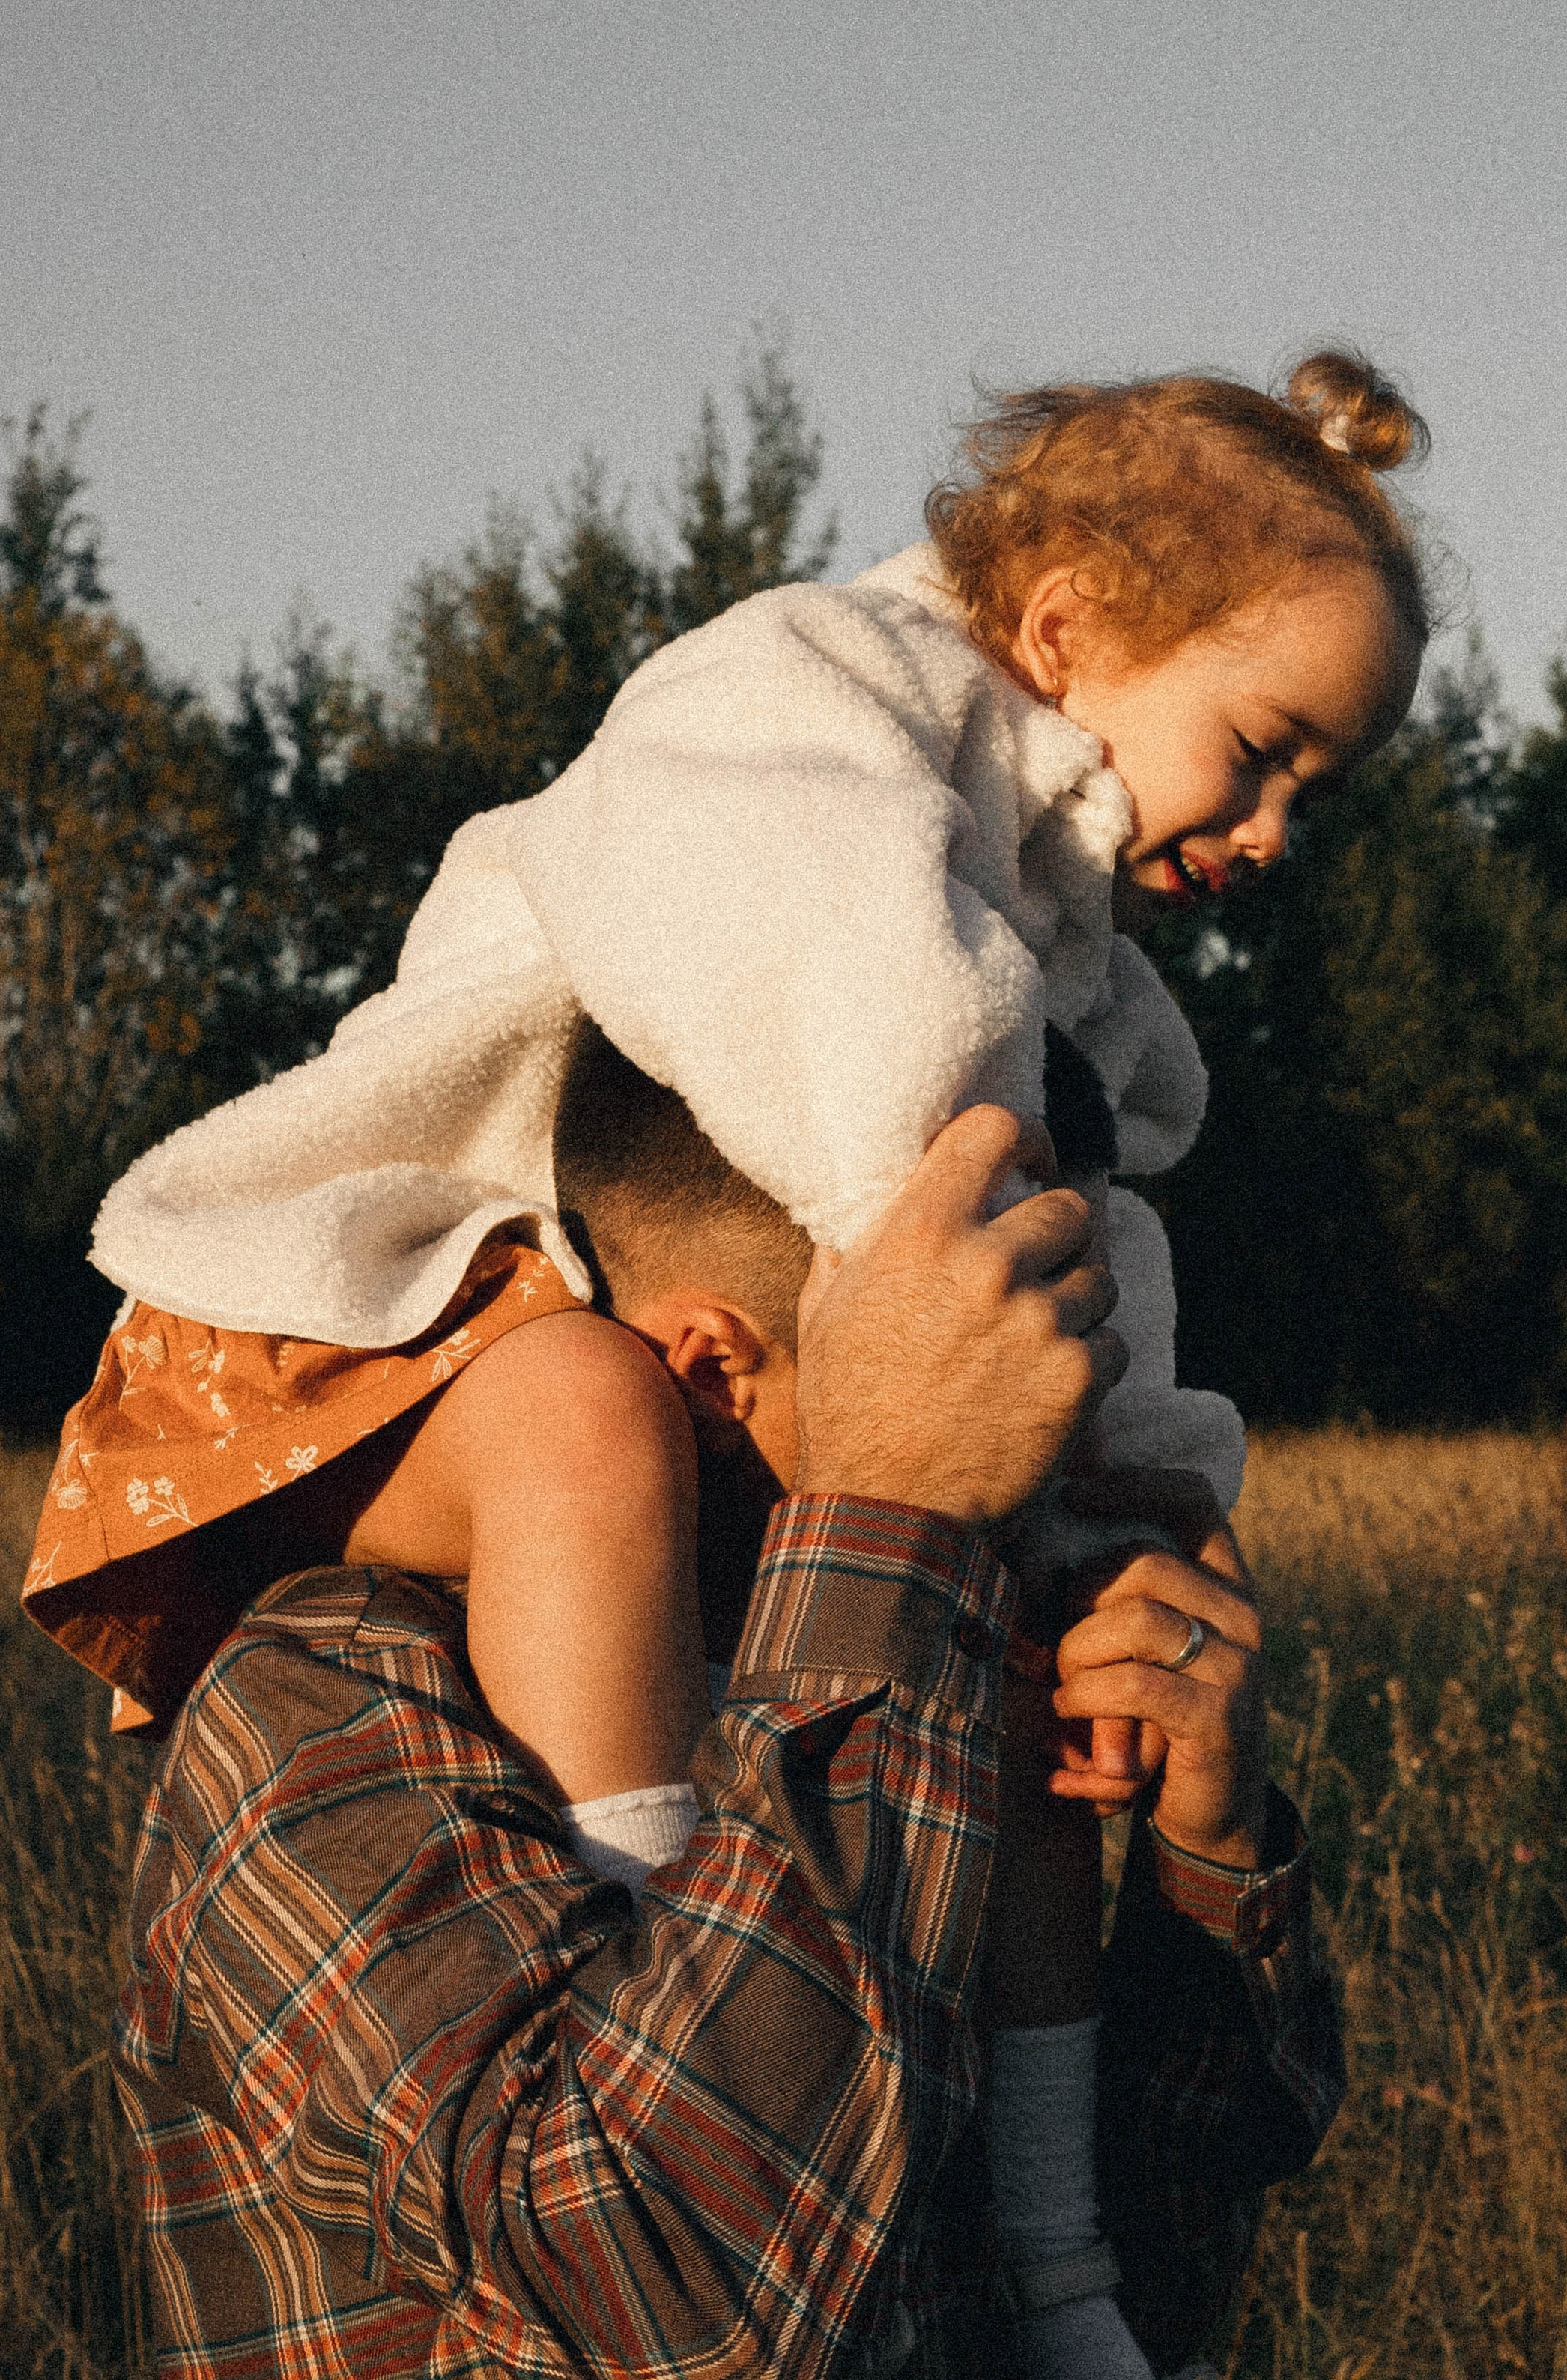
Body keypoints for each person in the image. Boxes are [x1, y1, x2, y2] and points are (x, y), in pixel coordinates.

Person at [30, 346, 1425, 2370]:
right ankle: (654, 1879)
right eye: (1269, 750)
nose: (1284, 830)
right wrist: (902, 1470)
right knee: (639, 1471)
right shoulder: (326, 1714)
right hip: (413, 1350)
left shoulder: (896, 1654)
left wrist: (1191, 1812)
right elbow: (683, 2310)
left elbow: (1198, 2220)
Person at [111, 1103, 1345, 2378]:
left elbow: (1141, 2306)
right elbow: (666, 2305)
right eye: (988, 1352)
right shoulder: (322, 1701)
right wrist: (892, 1519)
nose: (1054, 1424)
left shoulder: (944, 1674)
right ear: (710, 1369)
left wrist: (1208, 1849)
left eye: (1078, 1350)